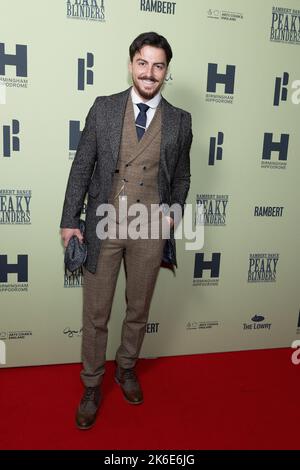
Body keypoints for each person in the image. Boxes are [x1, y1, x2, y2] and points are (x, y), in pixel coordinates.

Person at [60, 32, 193, 430]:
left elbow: (183, 177)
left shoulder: (180, 121)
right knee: (96, 313)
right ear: (131, 64)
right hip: (104, 222)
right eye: (143, 62)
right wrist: (70, 220)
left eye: (158, 65)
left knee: (138, 309)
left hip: (151, 227)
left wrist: (171, 216)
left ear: (166, 72)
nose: (149, 72)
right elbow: (82, 166)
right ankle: (91, 384)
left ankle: (127, 368)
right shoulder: (104, 109)